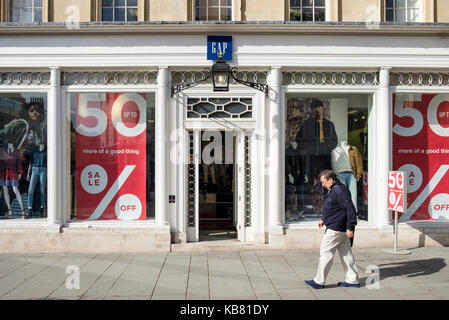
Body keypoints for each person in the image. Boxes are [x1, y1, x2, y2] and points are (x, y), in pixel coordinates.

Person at [304, 169, 360, 289]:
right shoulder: (334, 189)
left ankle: (319, 281)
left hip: (336, 228)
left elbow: (350, 209)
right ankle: (352, 280)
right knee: (346, 254)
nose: (323, 185)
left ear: (331, 179)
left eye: (324, 182)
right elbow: (334, 208)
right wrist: (324, 219)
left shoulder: (339, 190)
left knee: (326, 252)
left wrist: (350, 227)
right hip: (339, 227)